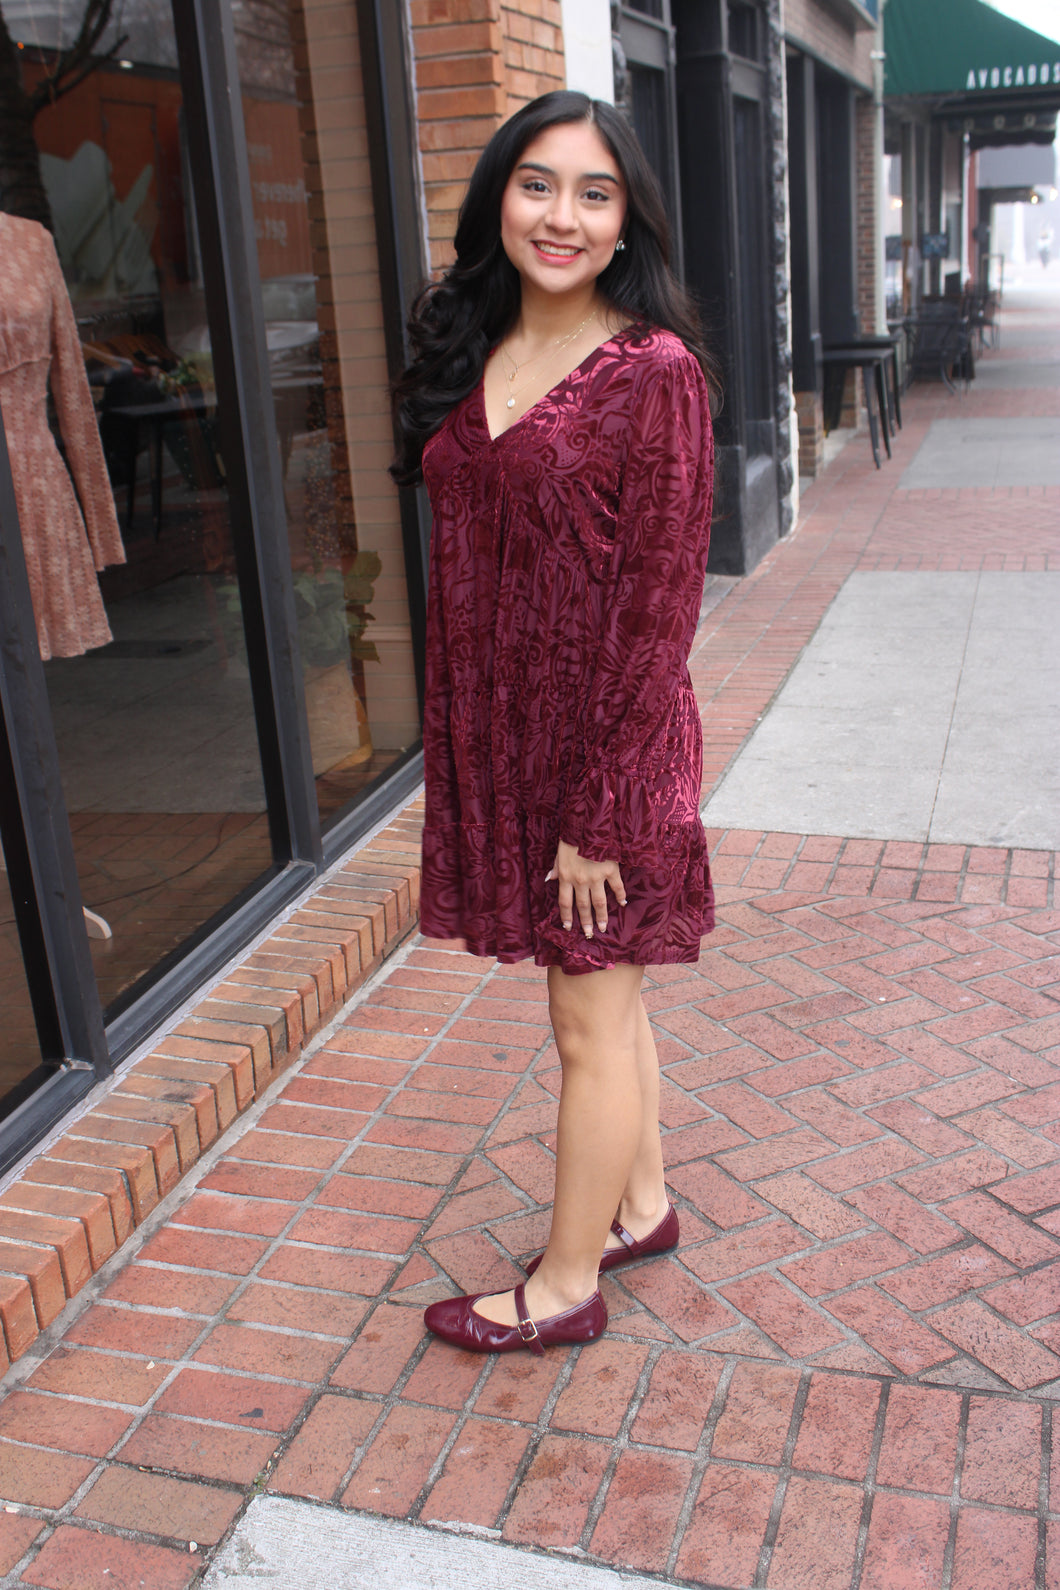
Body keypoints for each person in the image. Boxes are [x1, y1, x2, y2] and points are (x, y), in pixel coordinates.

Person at [391, 90, 719, 1355]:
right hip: (510, 743)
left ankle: (566, 1286)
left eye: (594, 192)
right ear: (498, 199)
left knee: (584, 1019)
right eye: (537, 184)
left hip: (607, 757)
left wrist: (598, 814)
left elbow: (657, 610)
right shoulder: (474, 343)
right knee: (605, 1009)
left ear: (627, 218)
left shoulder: (654, 373)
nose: (562, 216)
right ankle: (640, 1207)